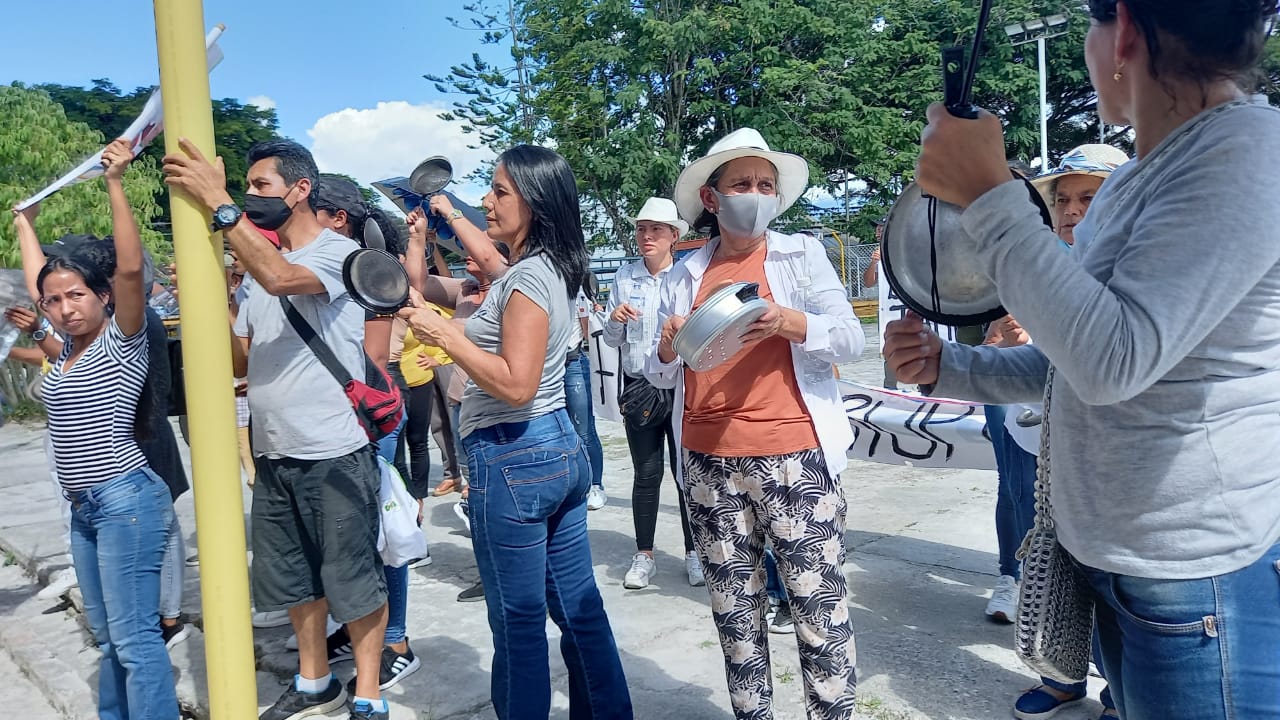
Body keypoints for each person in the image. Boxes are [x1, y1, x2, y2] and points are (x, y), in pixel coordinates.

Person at [886, 2, 1280, 718]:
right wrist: (947, 366)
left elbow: (1112, 361)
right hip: (1114, 560)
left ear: (1124, 30)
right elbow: (1072, 364)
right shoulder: (1134, 180)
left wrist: (993, 195)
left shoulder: (1248, 153)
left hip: (1194, 579)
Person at [398, 145, 631, 719]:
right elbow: (444, 279)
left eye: (500, 192)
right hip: (552, 448)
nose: (486, 201)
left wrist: (446, 336)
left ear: (536, 201)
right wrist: (429, 232)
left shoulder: (526, 280)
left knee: (519, 624)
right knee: (579, 610)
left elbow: (516, 385)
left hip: (514, 455)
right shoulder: (542, 268)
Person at [164, 138, 390, 720]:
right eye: (245, 188)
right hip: (275, 452)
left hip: (334, 451)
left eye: (261, 187)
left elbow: (284, 278)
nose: (250, 196)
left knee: (353, 579)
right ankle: (315, 682)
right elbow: (240, 361)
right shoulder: (254, 277)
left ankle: (368, 694)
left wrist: (218, 205)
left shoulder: (337, 255)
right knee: (294, 579)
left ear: (301, 189)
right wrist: (207, 286)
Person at [647, 127, 863, 720]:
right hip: (708, 463)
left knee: (818, 614)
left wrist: (791, 322)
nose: (756, 194)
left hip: (795, 456)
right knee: (736, 620)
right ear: (712, 198)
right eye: (742, 183)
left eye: (766, 184)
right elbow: (659, 373)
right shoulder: (681, 275)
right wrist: (667, 349)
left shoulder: (802, 255)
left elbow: (851, 339)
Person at [34, 139, 179, 720]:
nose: (65, 307)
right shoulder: (64, 353)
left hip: (126, 502)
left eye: (76, 295)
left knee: (137, 638)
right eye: (53, 300)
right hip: (84, 509)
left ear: (101, 298)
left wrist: (114, 181)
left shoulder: (122, 343)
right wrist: (27, 222)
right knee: (109, 640)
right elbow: (34, 279)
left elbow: (130, 268)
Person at [313, 175, 423, 691]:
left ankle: (396, 640)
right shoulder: (321, 266)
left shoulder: (369, 269)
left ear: (336, 217)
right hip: (335, 417)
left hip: (365, 417)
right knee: (348, 536)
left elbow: (374, 359)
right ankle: (358, 628)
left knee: (384, 532)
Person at [602, 197, 701, 589]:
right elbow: (611, 340)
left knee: (685, 472)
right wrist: (612, 319)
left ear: (674, 236)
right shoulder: (624, 278)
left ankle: (695, 552)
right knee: (646, 473)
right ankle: (644, 555)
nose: (646, 236)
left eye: (656, 230)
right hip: (640, 387)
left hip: (680, 387)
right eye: (642, 229)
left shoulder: (688, 278)